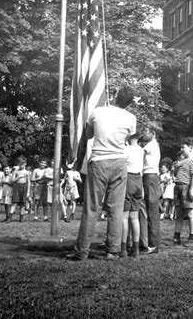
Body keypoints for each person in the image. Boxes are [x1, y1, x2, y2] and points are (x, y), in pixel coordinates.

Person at [69, 86, 136, 261]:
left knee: (91, 208)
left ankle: (81, 251)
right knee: (116, 209)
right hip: (119, 162)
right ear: (128, 103)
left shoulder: (97, 112)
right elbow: (126, 139)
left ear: (114, 96)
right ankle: (112, 251)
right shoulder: (131, 118)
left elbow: (88, 136)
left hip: (99, 161)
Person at [173, 137, 193, 247]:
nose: (181, 148)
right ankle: (176, 236)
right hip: (178, 187)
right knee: (178, 213)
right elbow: (175, 174)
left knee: (190, 213)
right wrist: (176, 166)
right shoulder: (183, 161)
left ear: (191, 148)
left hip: (186, 187)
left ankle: (192, 237)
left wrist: (191, 191)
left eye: (183, 147)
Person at [121, 132, 144, 259]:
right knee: (134, 218)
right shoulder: (141, 150)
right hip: (138, 180)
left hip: (129, 178)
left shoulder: (126, 149)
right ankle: (135, 249)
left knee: (124, 217)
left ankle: (123, 248)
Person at [140, 122, 162, 254]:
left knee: (152, 210)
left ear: (153, 134)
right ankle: (148, 241)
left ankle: (153, 244)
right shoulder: (149, 145)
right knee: (147, 209)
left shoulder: (151, 145)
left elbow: (138, 155)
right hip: (148, 176)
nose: (143, 133)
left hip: (151, 177)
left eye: (146, 131)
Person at [11, 157, 31, 222]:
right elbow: (12, 180)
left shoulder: (27, 172)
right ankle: (10, 217)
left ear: (25, 164)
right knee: (14, 202)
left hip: (24, 187)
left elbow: (28, 182)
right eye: (20, 164)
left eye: (23, 164)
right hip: (17, 186)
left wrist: (28, 192)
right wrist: (18, 177)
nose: (21, 165)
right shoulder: (16, 171)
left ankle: (21, 217)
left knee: (23, 203)